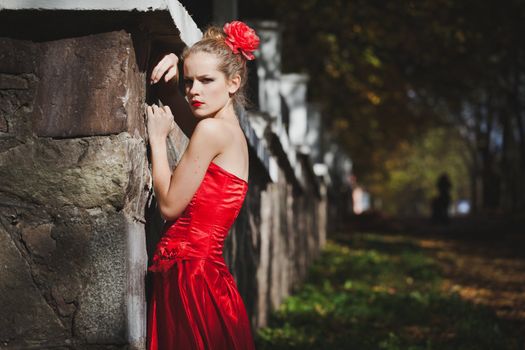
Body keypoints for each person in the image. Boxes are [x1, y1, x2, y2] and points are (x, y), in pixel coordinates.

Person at [145, 21, 259, 350]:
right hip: (205, 278)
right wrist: (173, 67)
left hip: (190, 279)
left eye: (207, 81)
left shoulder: (211, 132)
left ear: (233, 82)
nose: (194, 90)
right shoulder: (228, 133)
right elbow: (178, 102)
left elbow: (168, 205)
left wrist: (157, 140)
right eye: (190, 80)